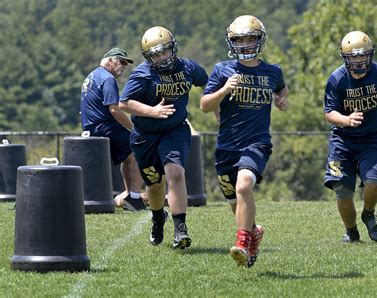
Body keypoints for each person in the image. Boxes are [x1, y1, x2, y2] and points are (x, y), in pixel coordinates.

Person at [200, 15, 289, 267]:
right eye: (240, 39)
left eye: (251, 38)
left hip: (257, 143)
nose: (246, 44)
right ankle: (254, 232)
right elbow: (205, 105)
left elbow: (281, 87)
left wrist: (282, 99)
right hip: (227, 146)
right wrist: (224, 89)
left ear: (260, 40)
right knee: (234, 201)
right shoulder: (222, 70)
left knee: (243, 187)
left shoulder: (272, 71)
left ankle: (241, 242)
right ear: (232, 42)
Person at [119, 26, 208, 249]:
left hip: (175, 129)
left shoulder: (187, 67)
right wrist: (152, 111)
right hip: (146, 135)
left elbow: (206, 80)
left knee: (175, 173)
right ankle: (158, 217)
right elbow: (124, 103)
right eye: (156, 55)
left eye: (165, 52)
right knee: (155, 185)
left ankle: (180, 229)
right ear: (149, 57)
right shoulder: (143, 74)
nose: (162, 58)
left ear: (173, 48)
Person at [323, 31, 377, 243]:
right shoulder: (337, 79)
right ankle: (351, 232)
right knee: (342, 190)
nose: (359, 61)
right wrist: (346, 120)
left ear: (370, 55)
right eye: (354, 56)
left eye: (363, 56)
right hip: (342, 142)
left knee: (374, 182)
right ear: (345, 57)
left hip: (372, 139)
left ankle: (368, 213)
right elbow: (329, 113)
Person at [80, 47, 146, 211]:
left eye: (126, 63)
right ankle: (135, 197)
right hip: (105, 127)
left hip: (91, 127)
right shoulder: (108, 78)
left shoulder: (92, 75)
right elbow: (115, 110)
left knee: (128, 157)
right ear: (110, 61)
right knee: (142, 147)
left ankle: (129, 193)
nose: (124, 66)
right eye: (121, 62)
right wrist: (134, 128)